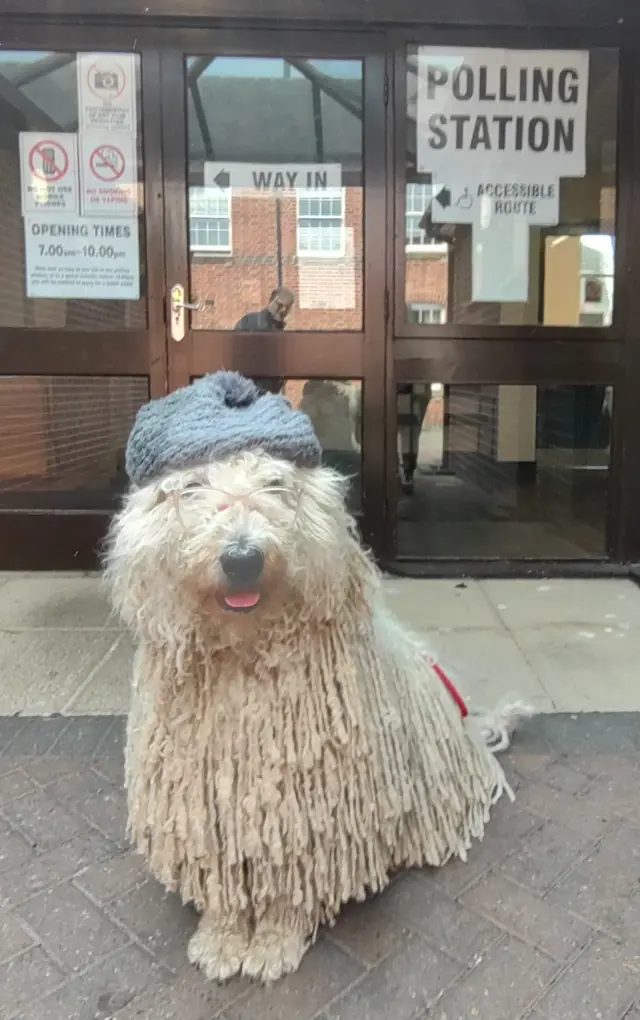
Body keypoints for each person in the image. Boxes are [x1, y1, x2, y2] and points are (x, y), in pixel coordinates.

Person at [234, 288, 295, 394]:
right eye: (279, 305)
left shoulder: (282, 336)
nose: (282, 311)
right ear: (270, 301)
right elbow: (233, 354)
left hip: (266, 395)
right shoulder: (250, 322)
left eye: (287, 308)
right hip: (245, 391)